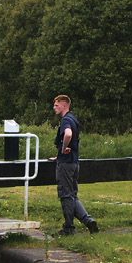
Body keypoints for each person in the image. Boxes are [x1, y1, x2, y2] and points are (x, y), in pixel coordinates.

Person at [52, 94, 99, 235]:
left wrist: (63, 149)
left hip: (65, 164)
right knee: (73, 195)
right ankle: (88, 221)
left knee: (66, 195)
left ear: (64, 105)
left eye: (56, 105)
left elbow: (68, 134)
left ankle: (69, 228)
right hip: (74, 162)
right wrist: (60, 153)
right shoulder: (74, 119)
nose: (54, 107)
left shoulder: (66, 120)